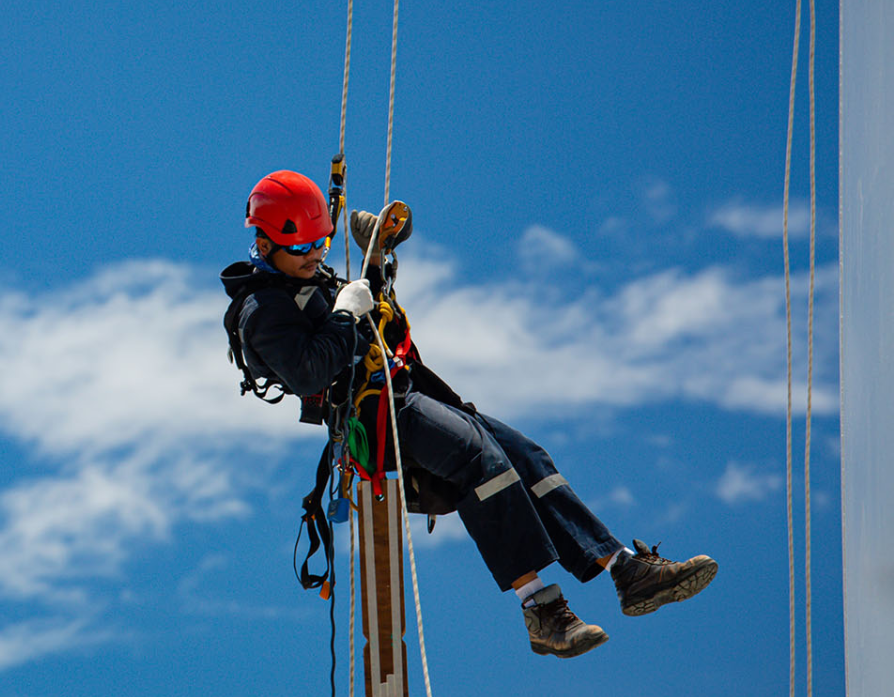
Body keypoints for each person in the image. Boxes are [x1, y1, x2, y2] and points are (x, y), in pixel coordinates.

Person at [222, 169, 717, 657]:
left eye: (320, 245)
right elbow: (311, 371)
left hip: (405, 391)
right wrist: (348, 312)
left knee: (527, 458)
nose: (313, 256)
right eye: (302, 248)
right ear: (265, 247)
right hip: (375, 416)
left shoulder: (310, 280)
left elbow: (369, 326)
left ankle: (625, 570)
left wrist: (376, 260)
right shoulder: (263, 311)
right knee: (482, 463)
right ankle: (542, 610)